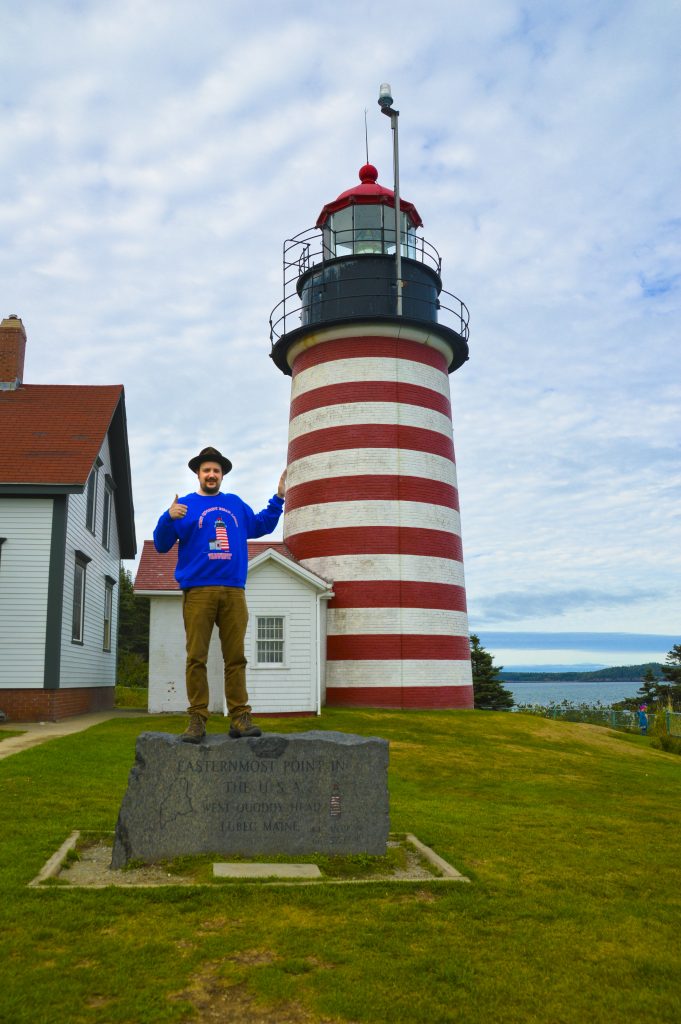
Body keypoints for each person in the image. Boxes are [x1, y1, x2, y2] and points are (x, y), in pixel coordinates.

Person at [153, 445, 286, 743]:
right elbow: (161, 544)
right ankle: (197, 720)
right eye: (206, 470)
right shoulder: (184, 507)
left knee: (236, 657)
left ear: (222, 475)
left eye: (216, 470)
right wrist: (167, 516)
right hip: (198, 591)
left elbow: (262, 525)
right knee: (196, 658)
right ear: (198, 474)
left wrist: (279, 498)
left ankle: (239, 718)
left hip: (234, 592)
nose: (211, 474)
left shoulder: (235, 505)